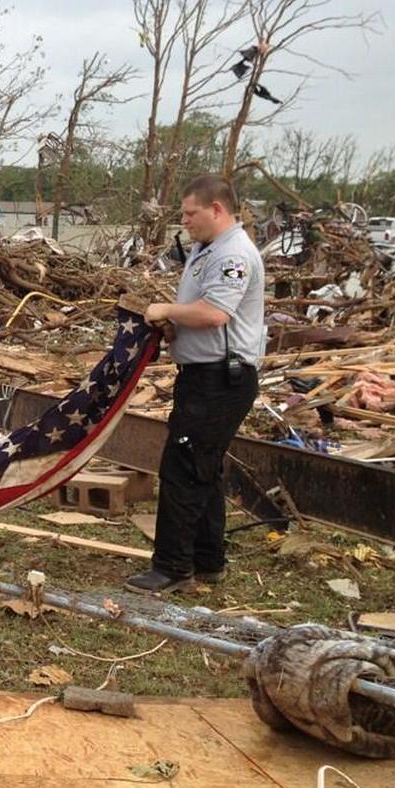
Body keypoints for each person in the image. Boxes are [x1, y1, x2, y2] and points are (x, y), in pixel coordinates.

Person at [126, 174, 265, 593]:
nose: (184, 221)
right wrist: (175, 326)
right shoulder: (208, 248)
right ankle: (207, 559)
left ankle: (172, 567)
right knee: (203, 468)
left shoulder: (233, 254)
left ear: (217, 209)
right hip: (204, 375)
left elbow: (215, 313)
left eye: (190, 213)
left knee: (183, 469)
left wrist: (166, 309)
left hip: (220, 379)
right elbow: (201, 311)